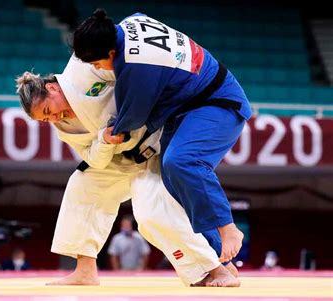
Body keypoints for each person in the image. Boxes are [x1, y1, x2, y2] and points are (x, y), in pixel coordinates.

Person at [15, 55, 240, 287]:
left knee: (150, 214)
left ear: (52, 87)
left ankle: (215, 268)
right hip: (117, 158)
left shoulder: (83, 71)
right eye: (45, 119)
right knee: (81, 185)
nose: (54, 118)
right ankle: (85, 271)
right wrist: (103, 141)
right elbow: (92, 158)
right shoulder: (63, 127)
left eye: (49, 109)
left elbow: (131, 72)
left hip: (152, 148)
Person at [72, 9, 252, 264]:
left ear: (111, 52)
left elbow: (130, 121)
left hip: (218, 103)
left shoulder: (135, 65)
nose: (98, 69)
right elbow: (141, 15)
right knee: (172, 181)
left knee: (181, 162)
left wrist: (104, 135)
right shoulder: (129, 23)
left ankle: (228, 228)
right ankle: (219, 260)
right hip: (186, 108)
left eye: (97, 64)